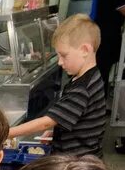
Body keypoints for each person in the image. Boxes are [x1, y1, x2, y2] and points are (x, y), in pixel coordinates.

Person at [8, 15, 107, 157]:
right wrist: (58, 131)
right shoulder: (91, 76)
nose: (60, 62)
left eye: (64, 55)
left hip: (77, 163)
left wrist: (8, 133)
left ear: (85, 50)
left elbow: (45, 123)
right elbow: (77, 117)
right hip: (84, 157)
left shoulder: (82, 89)